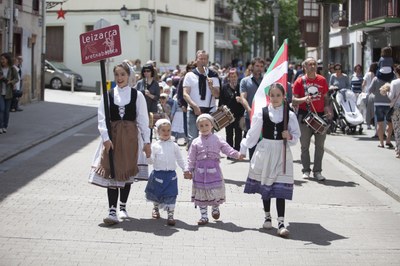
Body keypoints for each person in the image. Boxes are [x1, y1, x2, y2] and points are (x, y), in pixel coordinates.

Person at [89, 62, 151, 225]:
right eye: (117, 75)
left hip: (130, 138)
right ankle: (111, 210)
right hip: (113, 137)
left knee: (126, 172)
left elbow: (143, 120)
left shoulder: (137, 95)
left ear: (128, 76)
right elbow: (102, 118)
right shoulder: (107, 95)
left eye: (122, 74)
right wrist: (106, 138)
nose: (119, 78)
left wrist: (147, 142)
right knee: (112, 172)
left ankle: (122, 207)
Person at [240, 83, 300, 237]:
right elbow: (253, 133)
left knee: (280, 188)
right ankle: (267, 216)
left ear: (283, 96)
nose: (275, 98)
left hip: (281, 152)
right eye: (272, 95)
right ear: (269, 97)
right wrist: (243, 149)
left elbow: (296, 136)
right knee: (266, 185)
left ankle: (281, 222)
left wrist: (290, 136)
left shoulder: (289, 114)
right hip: (265, 151)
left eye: (278, 95)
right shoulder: (262, 112)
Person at [186, 114, 244, 225]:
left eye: (207, 125)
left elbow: (227, 149)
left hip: (214, 171)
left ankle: (215, 208)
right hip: (200, 172)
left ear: (212, 125)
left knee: (215, 191)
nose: (204, 128)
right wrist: (189, 169)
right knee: (201, 193)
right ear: (198, 127)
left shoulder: (217, 139)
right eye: (201, 126)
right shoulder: (195, 142)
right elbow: (191, 157)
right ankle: (204, 216)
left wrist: (237, 154)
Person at [145, 119, 191, 226]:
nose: (166, 133)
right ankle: (155, 208)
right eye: (163, 130)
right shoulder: (155, 146)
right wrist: (147, 155)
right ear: (158, 132)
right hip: (158, 175)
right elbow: (151, 161)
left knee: (171, 194)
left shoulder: (174, 145)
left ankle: (170, 215)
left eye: (168, 130)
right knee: (157, 194)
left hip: (171, 176)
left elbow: (180, 159)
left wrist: (186, 169)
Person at [292, 57, 331, 181]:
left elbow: (325, 97)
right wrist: (304, 99)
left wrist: (327, 108)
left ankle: (317, 171)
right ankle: (306, 170)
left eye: (314, 64)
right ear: (305, 67)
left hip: (319, 116)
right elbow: (293, 100)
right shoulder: (299, 81)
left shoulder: (322, 80)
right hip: (305, 117)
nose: (313, 66)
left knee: (320, 146)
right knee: (305, 146)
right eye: (310, 64)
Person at [183, 50, 220, 148]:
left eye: (205, 59)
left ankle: (207, 161)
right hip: (193, 110)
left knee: (208, 138)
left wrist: (211, 87)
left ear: (207, 61)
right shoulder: (190, 75)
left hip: (209, 110)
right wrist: (194, 106)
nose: (203, 61)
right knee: (193, 139)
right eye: (200, 59)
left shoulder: (213, 75)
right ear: (196, 60)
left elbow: (217, 95)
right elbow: (185, 94)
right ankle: (192, 162)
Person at [239, 57, 265, 159]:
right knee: (252, 142)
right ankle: (253, 168)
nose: (259, 68)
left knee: (264, 142)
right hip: (250, 116)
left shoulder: (267, 80)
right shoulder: (245, 81)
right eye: (257, 66)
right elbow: (243, 98)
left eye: (261, 66)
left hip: (265, 115)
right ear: (252, 67)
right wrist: (249, 110)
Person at [218, 68, 245, 154]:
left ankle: (237, 151)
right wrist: (221, 110)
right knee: (229, 134)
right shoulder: (225, 87)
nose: (233, 78)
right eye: (231, 76)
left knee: (238, 133)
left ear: (237, 77)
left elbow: (245, 99)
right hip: (228, 114)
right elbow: (221, 100)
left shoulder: (240, 86)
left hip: (239, 114)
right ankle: (230, 152)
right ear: (228, 77)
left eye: (235, 76)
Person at [136, 63, 160, 141]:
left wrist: (149, 95)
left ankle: (148, 145)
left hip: (151, 109)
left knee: (149, 128)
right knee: (141, 128)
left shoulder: (155, 84)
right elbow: (135, 94)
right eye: (144, 71)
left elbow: (157, 97)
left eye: (148, 71)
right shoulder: (140, 83)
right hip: (141, 109)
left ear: (151, 72)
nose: (146, 73)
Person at [369, 76, 394, 149]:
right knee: (390, 123)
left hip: (378, 103)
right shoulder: (392, 77)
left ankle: (381, 143)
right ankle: (388, 140)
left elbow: (370, 89)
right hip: (389, 103)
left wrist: (377, 93)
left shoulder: (376, 78)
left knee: (379, 123)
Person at [0, 53, 19, 134]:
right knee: (1, 109)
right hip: (0, 92)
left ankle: (5, 126)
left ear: (7, 60)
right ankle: (0, 126)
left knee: (7, 111)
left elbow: (16, 79)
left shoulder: (12, 69)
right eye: (1, 59)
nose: (2, 61)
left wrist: (11, 82)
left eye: (3, 59)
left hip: (8, 92)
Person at [388, 65, 400, 158]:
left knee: (397, 129)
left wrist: (387, 91)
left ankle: (399, 150)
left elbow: (391, 96)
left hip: (397, 107)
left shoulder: (394, 82)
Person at [363, 62, 378, 129]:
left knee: (368, 109)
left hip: (368, 93)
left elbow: (364, 84)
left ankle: (368, 124)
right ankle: (375, 123)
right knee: (376, 110)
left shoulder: (368, 74)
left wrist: (362, 91)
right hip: (376, 94)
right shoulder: (378, 75)